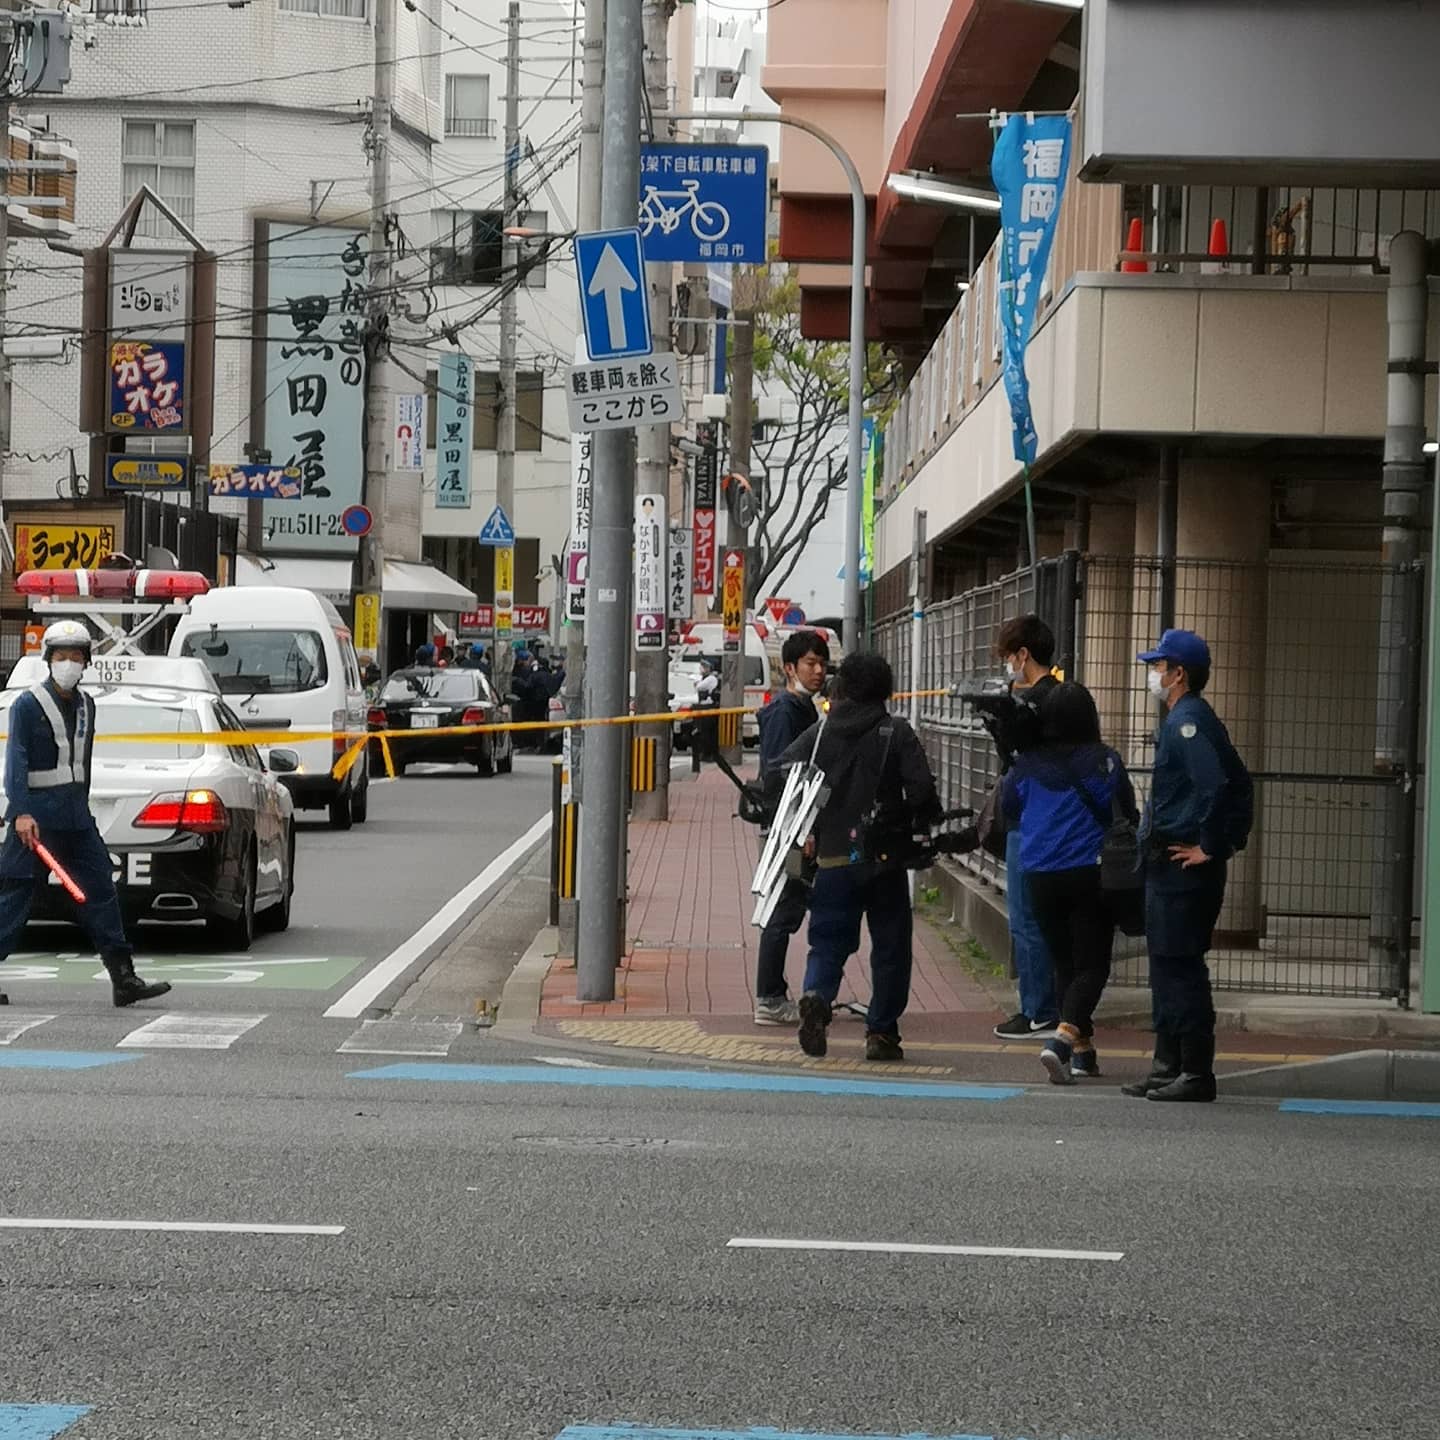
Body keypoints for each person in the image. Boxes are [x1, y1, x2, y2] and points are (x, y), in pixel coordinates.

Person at [0, 620, 173, 1009]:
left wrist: (84, 805)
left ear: (86, 661)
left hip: (78, 819)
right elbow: (16, 762)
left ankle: (123, 978)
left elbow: (84, 763)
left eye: (76, 657)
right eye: (61, 656)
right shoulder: (27, 705)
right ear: (49, 660)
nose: (69, 663)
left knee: (102, 892)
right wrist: (22, 812)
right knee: (14, 897)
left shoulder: (86, 705)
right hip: (35, 821)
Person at [778, 652, 941, 1063]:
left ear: (843, 686)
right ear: (884, 689)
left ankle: (816, 994)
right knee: (890, 947)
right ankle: (882, 1033)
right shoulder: (895, 731)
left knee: (828, 941)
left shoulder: (820, 735)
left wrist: (806, 827)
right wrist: (921, 821)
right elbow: (921, 790)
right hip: (884, 861)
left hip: (832, 858)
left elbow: (779, 773)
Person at [1124, 629, 1253, 1104]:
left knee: (1180, 970)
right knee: (1166, 967)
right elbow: (1239, 782)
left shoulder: (1188, 723)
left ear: (1178, 674)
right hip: (1169, 866)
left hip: (1182, 868)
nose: (1154, 674)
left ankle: (1194, 1071)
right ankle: (1168, 1064)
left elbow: (1218, 785)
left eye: (1159, 666)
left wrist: (1213, 846)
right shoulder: (1187, 718)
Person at [1001, 683, 1138, 1085]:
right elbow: (1127, 810)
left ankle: (1082, 1054)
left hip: (1039, 873)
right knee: (1093, 965)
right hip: (1089, 872)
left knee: (1064, 962)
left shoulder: (1026, 764)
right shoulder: (1105, 763)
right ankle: (1062, 1040)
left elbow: (1010, 806)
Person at [989, 613, 1063, 1041]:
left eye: (1007, 657)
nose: (1006, 666)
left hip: (1030, 823)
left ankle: (1037, 1010)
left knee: (1026, 920)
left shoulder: (1036, 703)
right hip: (1051, 823)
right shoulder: (1062, 699)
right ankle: (1044, 1007)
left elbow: (1018, 757)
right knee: (1042, 920)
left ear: (1022, 655)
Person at [752, 630, 830, 1027]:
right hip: (789, 830)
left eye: (822, 664)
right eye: (810, 664)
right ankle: (768, 998)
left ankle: (774, 993)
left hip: (795, 827)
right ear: (789, 668)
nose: (819, 671)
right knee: (782, 908)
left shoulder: (803, 708)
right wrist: (801, 830)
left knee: (789, 906)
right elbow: (782, 774)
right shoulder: (786, 711)